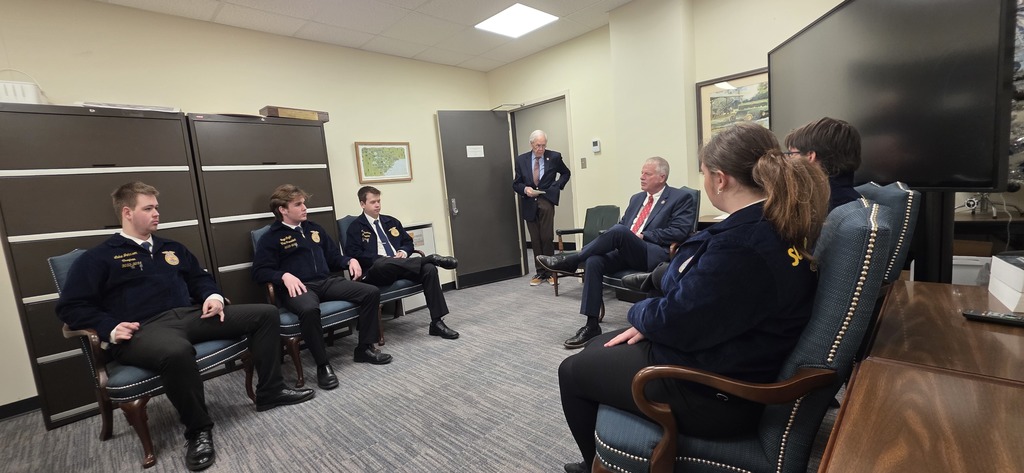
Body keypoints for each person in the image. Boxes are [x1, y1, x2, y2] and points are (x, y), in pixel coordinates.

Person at [556, 123, 830, 473]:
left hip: (718, 393)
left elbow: (674, 319)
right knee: (601, 348)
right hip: (726, 356)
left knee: (572, 370)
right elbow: (701, 308)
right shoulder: (773, 224)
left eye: (703, 173)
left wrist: (640, 313)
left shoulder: (741, 246)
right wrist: (658, 318)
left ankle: (590, 466)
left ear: (720, 179)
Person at [56, 181, 315, 472]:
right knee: (178, 351)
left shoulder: (172, 248)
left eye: (157, 207)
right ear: (127, 212)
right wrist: (111, 327)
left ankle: (271, 391)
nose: (157, 213)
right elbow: (71, 307)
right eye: (149, 208)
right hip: (145, 330)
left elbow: (199, 279)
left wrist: (213, 296)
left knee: (266, 313)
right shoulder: (98, 258)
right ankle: (198, 431)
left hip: (191, 316)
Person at [537, 156, 696, 349]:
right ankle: (592, 324)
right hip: (627, 250)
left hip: (652, 254)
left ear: (662, 177)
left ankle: (571, 260)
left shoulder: (680, 198)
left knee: (620, 232)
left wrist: (644, 235)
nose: (642, 177)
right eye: (641, 173)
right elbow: (622, 225)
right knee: (595, 260)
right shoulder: (636, 198)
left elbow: (680, 231)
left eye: (647, 174)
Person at [252, 184, 393, 392]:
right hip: (299, 288)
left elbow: (334, 257)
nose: (304, 208)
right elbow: (259, 272)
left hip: (325, 281)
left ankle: (364, 348)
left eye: (304, 203)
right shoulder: (271, 237)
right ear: (283, 209)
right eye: (298, 204)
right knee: (309, 309)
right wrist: (282, 275)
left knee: (370, 292)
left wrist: (349, 260)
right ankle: (323, 365)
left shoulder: (314, 229)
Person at [343, 186, 461, 339]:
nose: (377, 205)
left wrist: (404, 252)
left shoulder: (391, 221)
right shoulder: (355, 227)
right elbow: (353, 254)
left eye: (379, 201)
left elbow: (407, 242)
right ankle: (430, 258)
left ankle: (437, 323)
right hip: (376, 271)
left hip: (400, 265)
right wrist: (382, 258)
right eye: (373, 202)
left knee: (429, 269)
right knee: (384, 263)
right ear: (362, 204)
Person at [512, 130, 571, 286]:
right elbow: (516, 183)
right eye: (538, 145)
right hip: (529, 201)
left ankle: (551, 272)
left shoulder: (554, 157)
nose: (541, 149)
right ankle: (540, 273)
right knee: (535, 239)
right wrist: (525, 189)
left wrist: (556, 186)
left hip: (546, 199)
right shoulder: (521, 160)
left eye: (544, 145)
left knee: (546, 237)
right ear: (531, 144)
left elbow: (566, 173)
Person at [784, 116, 862, 210]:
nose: (788, 160)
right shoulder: (856, 204)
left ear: (810, 157)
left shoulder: (813, 211)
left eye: (791, 154)